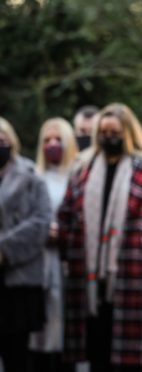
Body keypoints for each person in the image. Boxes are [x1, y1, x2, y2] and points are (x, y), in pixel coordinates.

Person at [57, 103, 142, 372]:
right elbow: (66, 213)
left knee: (129, 361)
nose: (108, 137)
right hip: (86, 276)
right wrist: (67, 247)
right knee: (96, 356)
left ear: (127, 132)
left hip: (133, 274)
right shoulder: (83, 167)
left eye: (114, 132)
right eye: (103, 132)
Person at [0, 117, 52, 372]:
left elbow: (41, 221)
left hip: (19, 280)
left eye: (1, 139)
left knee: (17, 355)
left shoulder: (31, 176)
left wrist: (4, 249)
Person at [30, 118, 79, 372]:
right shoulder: (33, 177)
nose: (52, 145)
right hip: (37, 261)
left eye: (58, 139)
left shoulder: (77, 176)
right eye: (47, 140)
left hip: (67, 261)